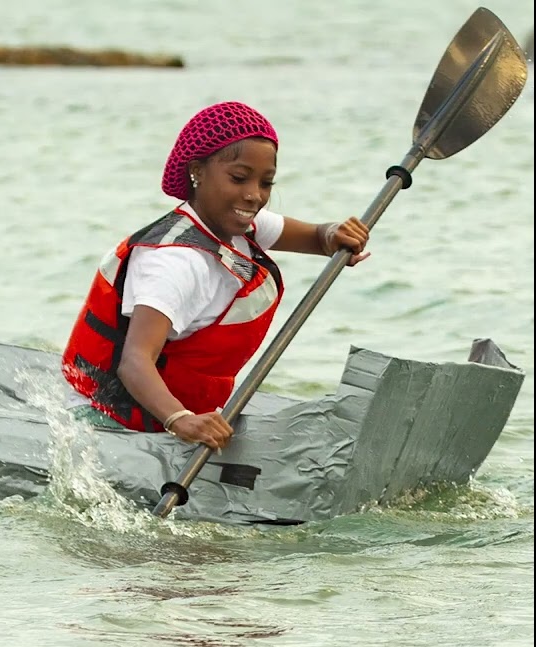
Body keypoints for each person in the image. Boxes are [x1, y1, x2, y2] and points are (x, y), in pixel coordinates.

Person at [61, 100, 371, 451]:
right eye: (239, 178)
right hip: (112, 418)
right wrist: (180, 420)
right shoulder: (173, 262)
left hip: (170, 412)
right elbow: (134, 362)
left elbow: (317, 237)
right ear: (198, 172)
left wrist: (335, 235)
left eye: (266, 182)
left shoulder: (236, 224)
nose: (254, 195)